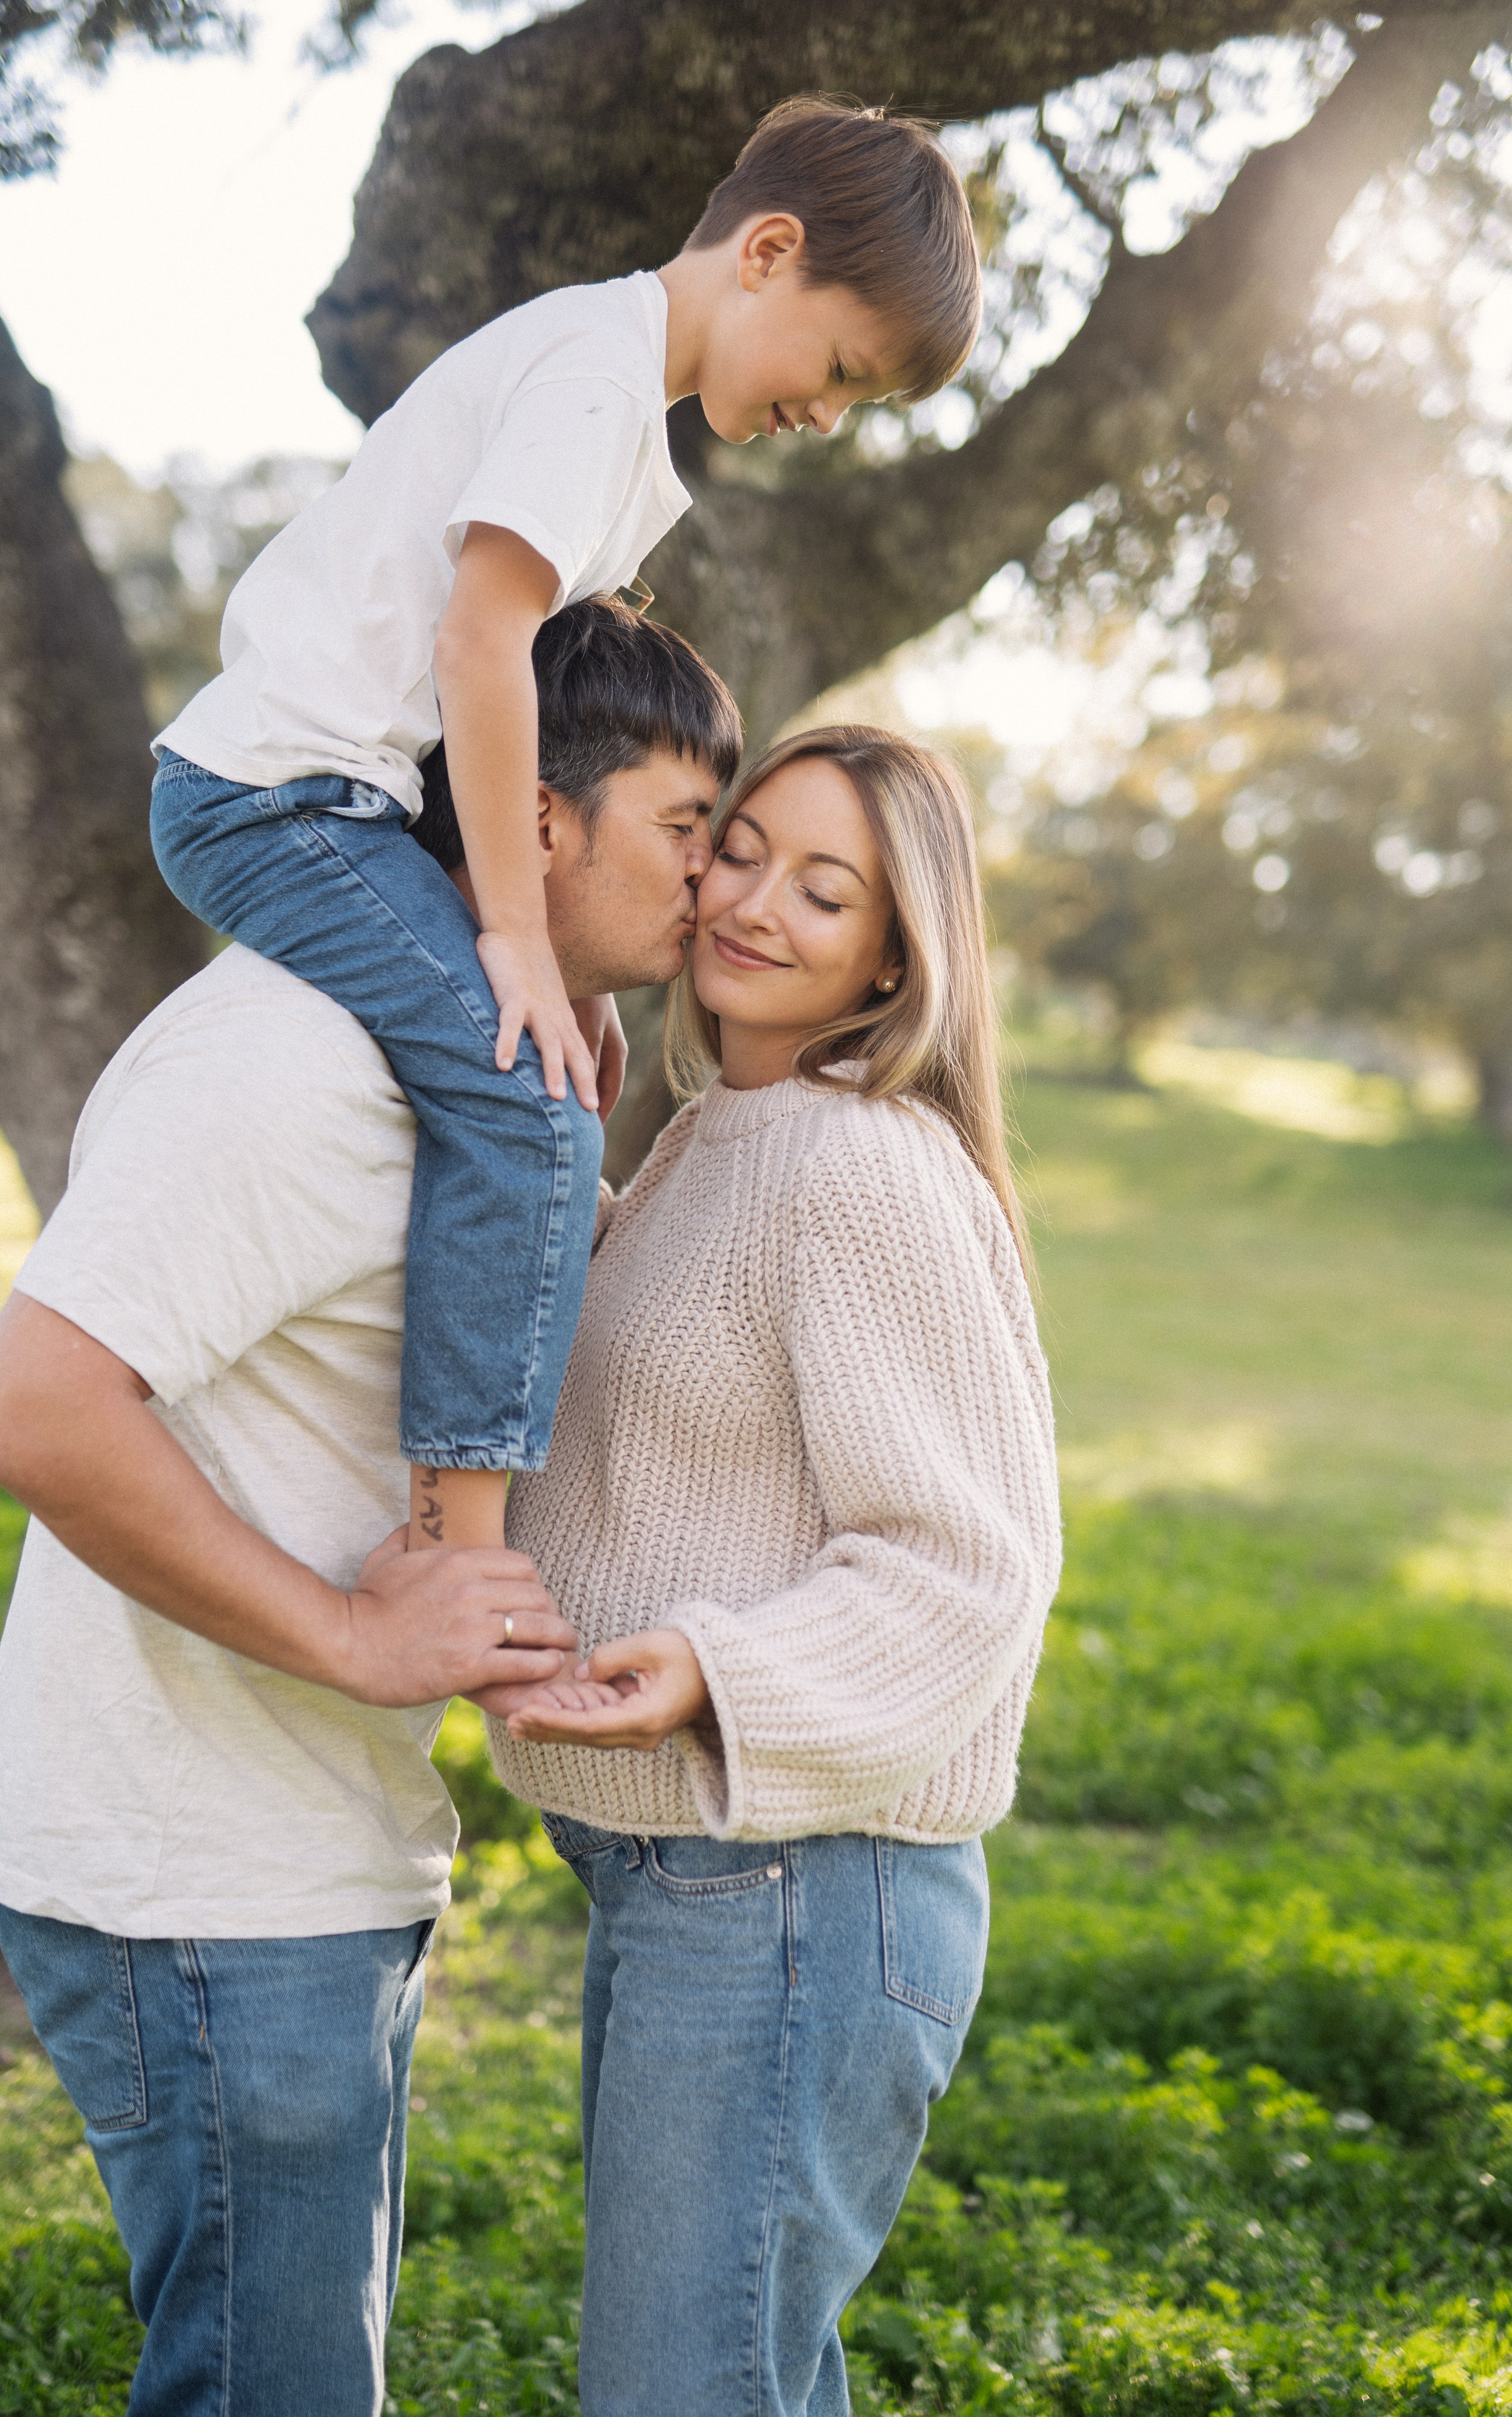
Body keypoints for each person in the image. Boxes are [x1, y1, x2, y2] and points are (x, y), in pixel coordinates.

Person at [0, 601, 742, 2417]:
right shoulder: (296, 1064)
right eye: (688, 832)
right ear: (540, 826)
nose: (715, 886)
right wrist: (351, 1636)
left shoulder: (473, 1073)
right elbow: (37, 1409)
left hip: (299, 1857)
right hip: (199, 1881)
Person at [147, 97, 982, 1565]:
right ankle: (463, 1548)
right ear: (767, 253)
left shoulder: (610, 399)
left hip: (337, 796)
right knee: (527, 1103)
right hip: (276, 798)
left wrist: (574, 975)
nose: (824, 417)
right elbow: (483, 646)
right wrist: (520, 949)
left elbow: (535, 684)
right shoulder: (593, 384)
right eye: (839, 369)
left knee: (543, 1065)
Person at [490, 724, 1063, 2417]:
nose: (754, 904)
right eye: (739, 851)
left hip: (801, 1887)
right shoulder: (711, 1136)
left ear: (896, 956)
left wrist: (710, 1666)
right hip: (695, 1874)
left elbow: (967, 1565)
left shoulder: (857, 1166)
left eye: (829, 892)